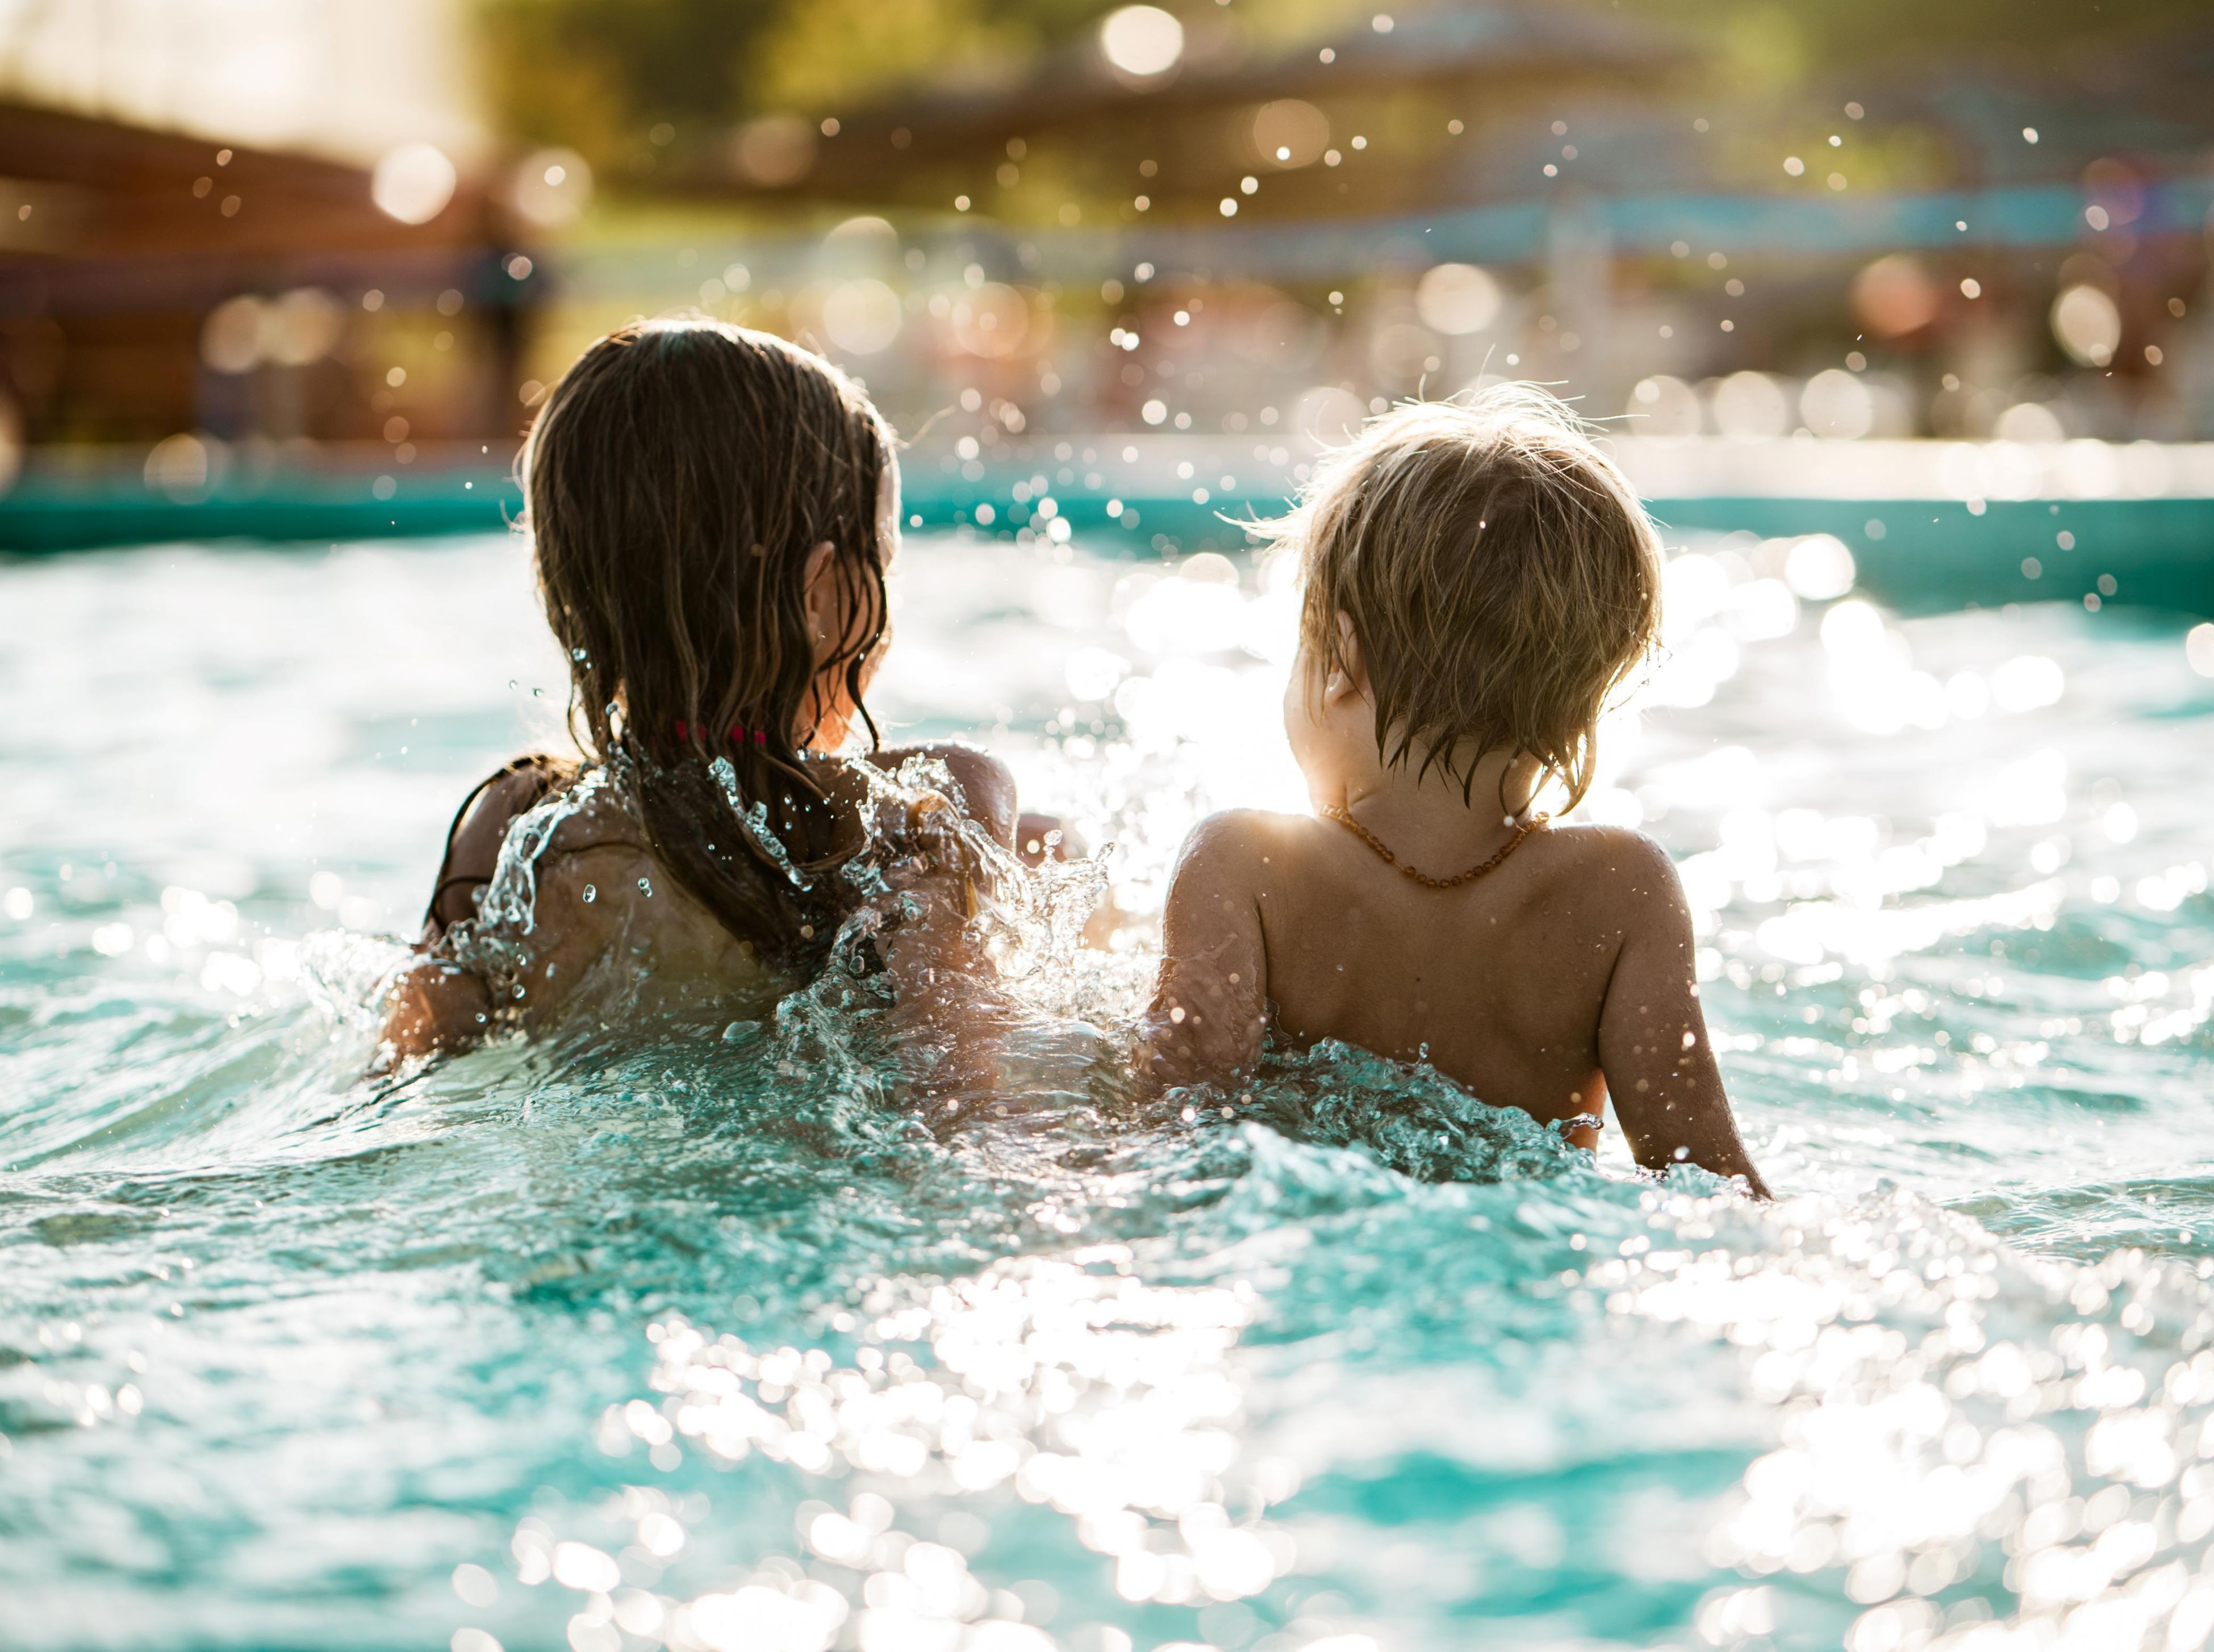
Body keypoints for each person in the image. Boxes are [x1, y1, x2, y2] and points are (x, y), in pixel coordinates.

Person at [1139, 384, 1768, 1196]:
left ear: (1340, 657)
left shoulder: (1247, 866)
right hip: (1530, 1273)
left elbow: (1169, 1136)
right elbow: (1709, 1180)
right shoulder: (1624, 891)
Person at [379, 320, 1028, 1066]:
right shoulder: (927, 803)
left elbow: (409, 1056)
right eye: (883, 563)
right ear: (820, 597)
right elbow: (957, 1088)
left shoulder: (516, 825)